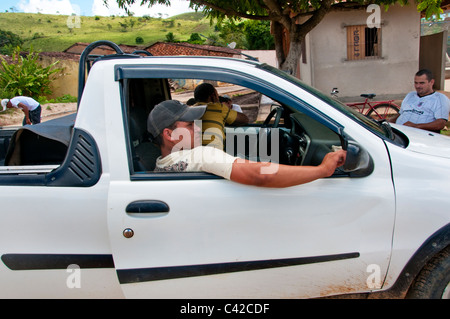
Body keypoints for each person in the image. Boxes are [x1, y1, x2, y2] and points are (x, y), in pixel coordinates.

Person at [147, 100, 346, 188]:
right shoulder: (200, 155)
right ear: (170, 134)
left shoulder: (158, 165)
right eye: (190, 126)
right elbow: (261, 175)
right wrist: (322, 170)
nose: (199, 128)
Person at [194, 83, 249, 149]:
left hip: (194, 152)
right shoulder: (218, 108)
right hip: (214, 152)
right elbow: (244, 119)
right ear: (213, 96)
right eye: (217, 95)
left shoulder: (190, 110)